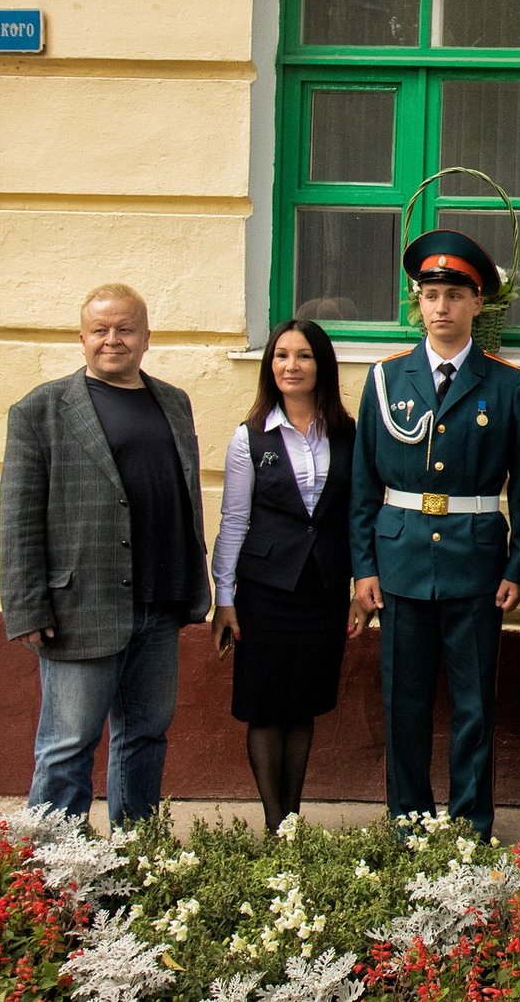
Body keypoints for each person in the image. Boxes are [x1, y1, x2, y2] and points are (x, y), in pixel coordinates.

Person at [349, 230, 520, 840]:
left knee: (475, 704)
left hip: (476, 562)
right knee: (403, 702)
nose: (442, 307)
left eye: (455, 294)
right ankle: (408, 822)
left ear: (478, 304)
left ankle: (470, 825)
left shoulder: (506, 385)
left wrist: (517, 566)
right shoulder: (385, 380)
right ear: (418, 302)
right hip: (400, 558)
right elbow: (361, 484)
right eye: (431, 294)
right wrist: (364, 567)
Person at [0, 284, 209, 823]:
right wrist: (26, 607)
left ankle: (133, 857)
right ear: (82, 337)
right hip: (79, 607)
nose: (112, 340)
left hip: (159, 605)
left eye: (125, 329)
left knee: (144, 737)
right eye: (101, 330)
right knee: (67, 746)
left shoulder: (173, 401)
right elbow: (18, 519)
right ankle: (51, 877)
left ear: (145, 338)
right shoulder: (40, 411)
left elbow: (183, 494)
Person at [211, 320, 357, 830]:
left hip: (323, 590)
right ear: (269, 366)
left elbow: (356, 514)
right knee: (265, 706)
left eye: (303, 356)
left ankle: (292, 818)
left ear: (322, 365)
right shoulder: (249, 437)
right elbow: (233, 521)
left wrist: (361, 585)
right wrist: (223, 599)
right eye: (280, 356)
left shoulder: (347, 433)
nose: (291, 366)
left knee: (303, 705)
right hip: (264, 591)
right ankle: (276, 825)